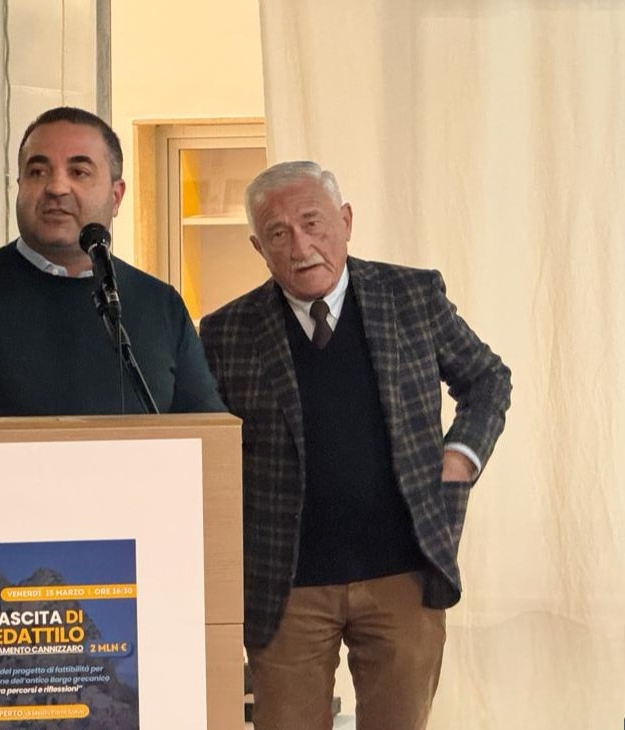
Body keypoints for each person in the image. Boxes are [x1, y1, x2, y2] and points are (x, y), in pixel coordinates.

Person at [199, 161, 512, 730]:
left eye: (313, 223)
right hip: (285, 583)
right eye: (278, 233)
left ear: (345, 221)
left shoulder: (412, 296)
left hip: (404, 571)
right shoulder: (226, 331)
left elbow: (487, 378)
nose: (301, 247)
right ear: (259, 248)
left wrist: (460, 459)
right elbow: (211, 449)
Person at [0, 106, 224, 418]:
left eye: (79, 172)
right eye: (38, 172)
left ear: (116, 196)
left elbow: (208, 439)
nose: (57, 187)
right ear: (19, 186)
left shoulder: (159, 305)